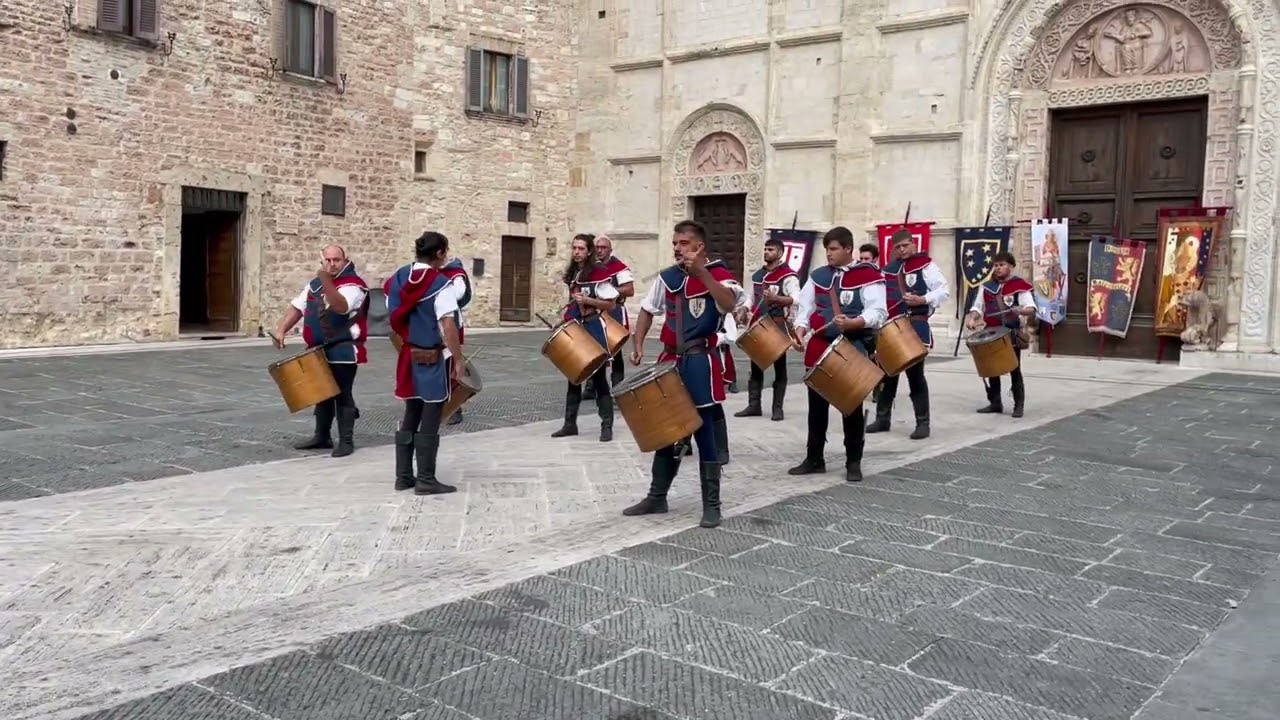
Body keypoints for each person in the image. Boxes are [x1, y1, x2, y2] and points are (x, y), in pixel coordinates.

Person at [622, 220, 747, 528]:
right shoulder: (668, 277)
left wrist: (702, 274)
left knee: (703, 430)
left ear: (699, 246)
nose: (677, 248)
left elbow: (729, 304)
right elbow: (647, 309)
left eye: (683, 243)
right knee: (667, 429)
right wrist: (638, 344)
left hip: (700, 361)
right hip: (670, 361)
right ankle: (657, 496)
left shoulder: (719, 276)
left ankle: (712, 505)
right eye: (675, 243)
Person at [787, 227, 887, 483]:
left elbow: (878, 312)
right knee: (816, 408)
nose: (829, 254)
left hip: (849, 347)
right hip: (819, 347)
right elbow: (805, 309)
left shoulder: (868, 275)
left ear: (847, 249)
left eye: (833, 249)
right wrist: (800, 330)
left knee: (850, 406)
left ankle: (853, 461)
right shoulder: (818, 276)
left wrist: (855, 322)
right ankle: (814, 458)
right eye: (827, 249)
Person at [386, 232, 467, 494]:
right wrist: (458, 359)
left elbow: (393, 313)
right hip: (432, 357)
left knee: (411, 411)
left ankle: (403, 477)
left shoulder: (398, 278)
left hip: (408, 354)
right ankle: (426, 479)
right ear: (440, 253)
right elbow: (448, 324)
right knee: (431, 414)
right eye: (445, 251)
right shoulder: (440, 284)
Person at [274, 244, 369, 458]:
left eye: (336, 260)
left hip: (344, 348)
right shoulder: (315, 284)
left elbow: (341, 306)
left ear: (345, 261)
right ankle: (322, 436)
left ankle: (346, 441)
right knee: (321, 393)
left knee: (342, 393)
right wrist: (281, 330)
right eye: (328, 260)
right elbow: (298, 307)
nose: (332, 264)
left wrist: (325, 279)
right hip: (317, 349)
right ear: (322, 261)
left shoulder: (354, 285)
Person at [867, 228, 950, 440]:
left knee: (915, 375)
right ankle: (882, 418)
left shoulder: (926, 266)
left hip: (915, 326)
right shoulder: (888, 270)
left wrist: (923, 299)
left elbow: (943, 291)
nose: (902, 250)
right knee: (887, 373)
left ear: (913, 244)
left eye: (905, 245)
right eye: (898, 247)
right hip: (891, 327)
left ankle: (923, 423)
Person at [551, 234, 618, 441]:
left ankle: (606, 426)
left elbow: (611, 305)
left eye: (581, 248)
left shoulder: (599, 273)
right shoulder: (574, 273)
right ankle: (569, 424)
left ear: (589, 251)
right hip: (576, 327)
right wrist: (563, 321)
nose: (576, 252)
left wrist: (589, 301)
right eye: (574, 248)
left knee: (599, 379)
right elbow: (573, 305)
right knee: (573, 376)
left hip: (593, 327)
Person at [735, 237, 801, 421]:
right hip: (758, 325)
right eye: (765, 249)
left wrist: (777, 299)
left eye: (770, 250)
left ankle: (777, 408)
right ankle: (754, 405)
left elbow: (796, 299)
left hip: (777, 325)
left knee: (779, 367)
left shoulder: (788, 276)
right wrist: (744, 309)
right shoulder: (758, 275)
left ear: (780, 253)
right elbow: (751, 298)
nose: (766, 252)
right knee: (756, 366)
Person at [965, 251, 1036, 418]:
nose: (998, 268)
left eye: (1002, 265)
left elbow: (1031, 308)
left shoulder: (1019, 286)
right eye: (996, 265)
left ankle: (1018, 406)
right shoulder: (987, 287)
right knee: (992, 369)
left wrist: (1021, 310)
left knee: (1014, 369)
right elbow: (977, 307)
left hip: (1011, 333)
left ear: (1011, 266)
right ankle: (995, 403)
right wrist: (972, 318)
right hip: (990, 333)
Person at [583, 235, 635, 399]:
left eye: (603, 247)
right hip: (596, 312)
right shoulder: (591, 268)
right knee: (594, 349)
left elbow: (629, 290)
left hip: (614, 312)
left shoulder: (619, 268)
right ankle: (591, 387)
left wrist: (609, 291)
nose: (600, 250)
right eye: (597, 247)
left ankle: (617, 388)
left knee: (615, 350)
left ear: (610, 250)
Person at [439, 255, 473, 426]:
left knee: (451, 367)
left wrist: (439, 292)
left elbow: (459, 293)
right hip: (435, 325)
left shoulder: (455, 273)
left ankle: (455, 408)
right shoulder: (433, 273)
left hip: (450, 323)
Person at [858, 243, 884, 406]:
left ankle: (877, 389)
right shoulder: (854, 276)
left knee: (875, 358)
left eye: (866, 259)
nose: (863, 262)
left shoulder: (880, 278)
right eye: (861, 258)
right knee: (857, 357)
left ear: (875, 259)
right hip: (857, 323)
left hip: (874, 325)